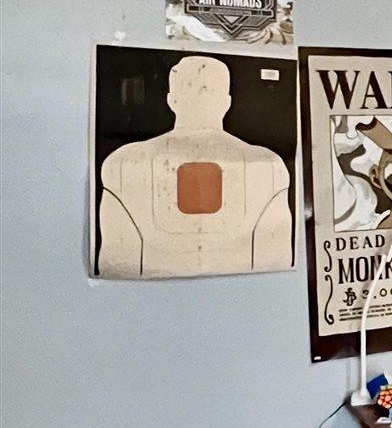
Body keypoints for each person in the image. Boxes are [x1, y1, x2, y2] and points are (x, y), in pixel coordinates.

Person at [97, 54, 292, 277]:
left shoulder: (123, 165)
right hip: (238, 305)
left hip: (155, 308)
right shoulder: (269, 168)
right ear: (227, 102)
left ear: (171, 100)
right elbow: (276, 265)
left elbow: (117, 267)